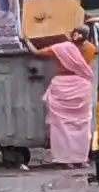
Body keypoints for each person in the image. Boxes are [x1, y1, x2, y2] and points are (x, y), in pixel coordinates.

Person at [39, 24, 91, 172]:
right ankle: (81, 160)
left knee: (59, 125)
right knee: (82, 125)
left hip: (61, 85)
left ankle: (63, 160)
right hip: (81, 86)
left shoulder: (59, 48)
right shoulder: (91, 49)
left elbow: (37, 51)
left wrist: (27, 40)